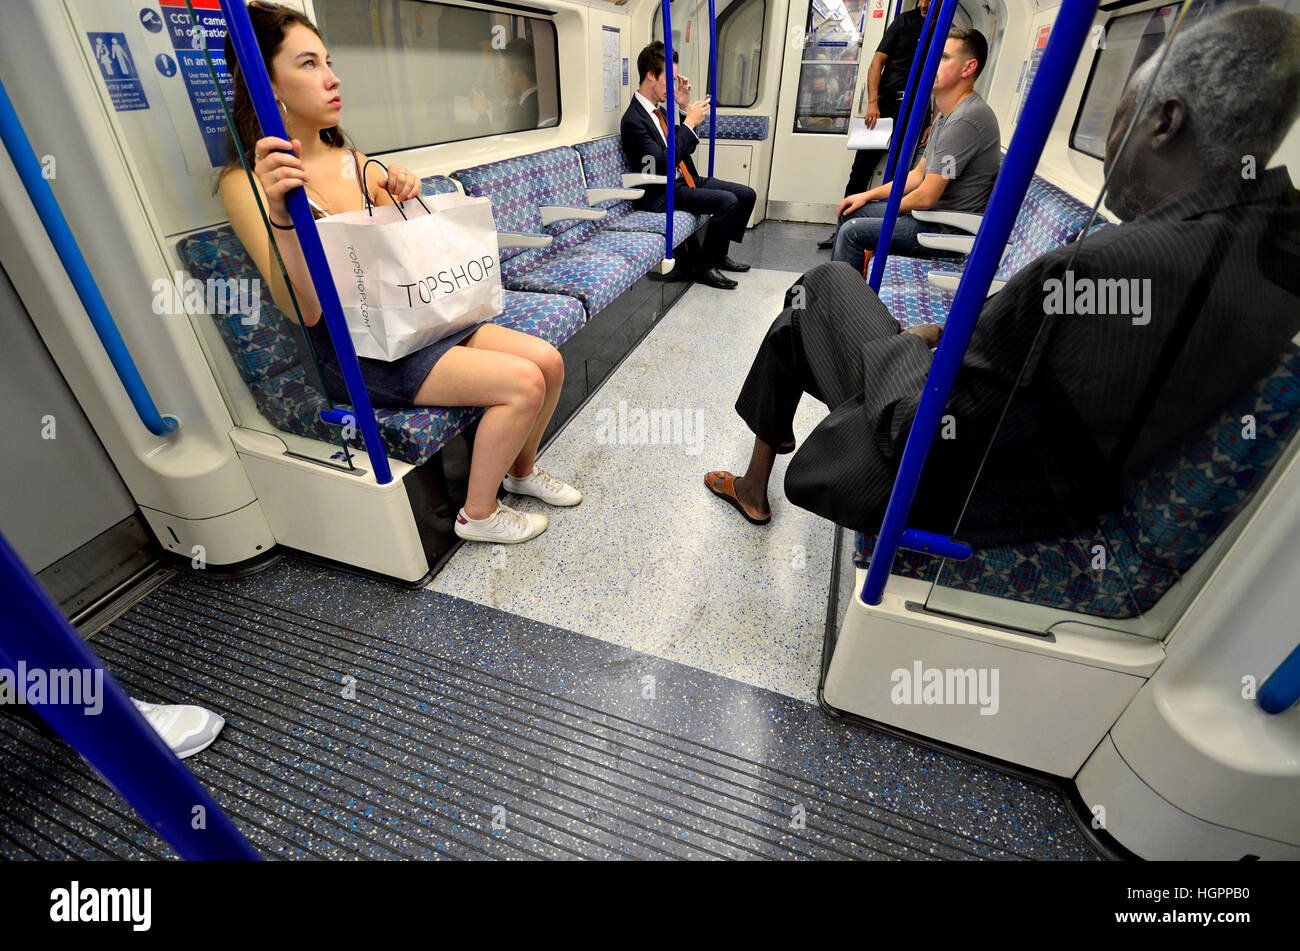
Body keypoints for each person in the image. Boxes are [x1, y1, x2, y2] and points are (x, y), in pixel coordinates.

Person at [704, 6, 1300, 553]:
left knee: (826, 286)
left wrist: (909, 342)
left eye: (1120, 111)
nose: (1113, 135)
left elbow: (925, 427)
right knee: (809, 308)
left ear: (1166, 123)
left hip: (949, 483)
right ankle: (758, 473)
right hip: (1030, 466)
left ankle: (758, 476)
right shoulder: (1264, 256)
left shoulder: (1100, 270)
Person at [217, 2, 580, 545]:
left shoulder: (349, 156)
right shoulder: (248, 183)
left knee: (548, 362)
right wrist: (281, 216)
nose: (333, 78)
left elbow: (391, 246)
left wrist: (398, 188)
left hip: (411, 316)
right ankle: (478, 514)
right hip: (356, 349)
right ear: (268, 87)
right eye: (310, 64)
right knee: (522, 383)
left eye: (329, 61)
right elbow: (303, 310)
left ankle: (519, 472)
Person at [830, 27, 1000, 276]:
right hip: (931, 218)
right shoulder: (947, 114)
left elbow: (926, 197)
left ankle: (847, 308)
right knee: (851, 211)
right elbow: (918, 175)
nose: (932, 64)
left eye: (944, 58)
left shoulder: (966, 119)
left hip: (946, 231)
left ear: (968, 68)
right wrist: (867, 196)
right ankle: (836, 293)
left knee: (852, 232)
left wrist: (889, 208)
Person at [621, 41, 757, 290]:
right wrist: (690, 124)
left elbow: (682, 146)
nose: (673, 85)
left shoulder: (659, 112)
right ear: (651, 75)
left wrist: (684, 110)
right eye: (669, 78)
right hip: (660, 191)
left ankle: (718, 255)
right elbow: (660, 164)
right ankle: (705, 268)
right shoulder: (633, 120)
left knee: (747, 195)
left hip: (683, 179)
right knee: (728, 202)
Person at [817, 0, 935, 249]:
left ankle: (878, 233)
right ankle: (841, 228)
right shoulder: (903, 22)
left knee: (899, 177)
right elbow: (876, 63)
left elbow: (941, 81)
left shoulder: (946, 29)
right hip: (884, 107)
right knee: (860, 171)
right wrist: (872, 103)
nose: (924, 4)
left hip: (917, 112)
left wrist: (933, 121)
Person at [502, 38, 540, 129]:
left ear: (516, 72)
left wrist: (482, 114)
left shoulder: (521, 116)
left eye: (505, 73)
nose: (502, 79)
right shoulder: (542, 101)